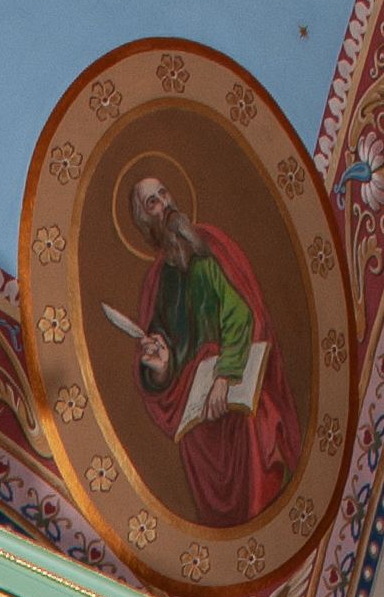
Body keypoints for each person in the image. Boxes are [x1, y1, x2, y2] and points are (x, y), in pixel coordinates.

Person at [125, 173, 302, 525]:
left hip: (235, 386)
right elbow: (165, 353)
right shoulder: (158, 283)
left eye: (164, 193)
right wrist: (162, 367)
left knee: (253, 435)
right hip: (198, 408)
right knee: (200, 463)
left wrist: (224, 377)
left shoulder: (209, 249)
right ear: (146, 223)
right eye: (153, 202)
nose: (165, 204)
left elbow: (242, 314)